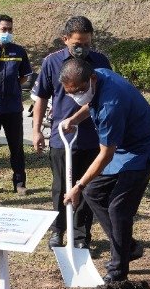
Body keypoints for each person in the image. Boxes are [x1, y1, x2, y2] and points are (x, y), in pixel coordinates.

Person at [61, 59, 150, 284]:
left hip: (142, 149)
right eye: (70, 93)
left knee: (118, 208)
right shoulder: (98, 74)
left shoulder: (111, 106)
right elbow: (89, 102)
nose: (76, 96)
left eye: (78, 91)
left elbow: (105, 155)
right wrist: (74, 119)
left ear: (91, 80)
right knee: (93, 193)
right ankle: (129, 246)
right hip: (123, 145)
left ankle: (118, 270)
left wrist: (78, 185)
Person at [32, 16, 110, 248]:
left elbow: (106, 96)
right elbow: (42, 97)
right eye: (77, 43)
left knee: (85, 187)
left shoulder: (100, 61)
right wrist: (37, 131)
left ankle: (81, 235)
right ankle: (58, 230)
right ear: (65, 39)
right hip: (61, 136)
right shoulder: (51, 62)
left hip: (92, 136)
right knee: (60, 187)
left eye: (87, 43)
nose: (82, 48)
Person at [0, 15, 33, 197]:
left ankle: (19, 183)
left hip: (13, 107)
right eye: (4, 29)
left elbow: (24, 76)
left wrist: (14, 86)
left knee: (16, 147)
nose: (7, 33)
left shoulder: (19, 51)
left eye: (10, 29)